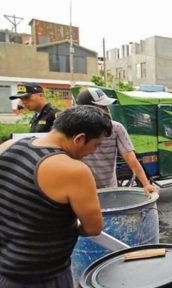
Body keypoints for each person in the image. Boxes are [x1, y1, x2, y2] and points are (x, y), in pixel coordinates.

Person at [0, 106, 112, 287]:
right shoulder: (73, 170)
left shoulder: (7, 146)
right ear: (79, 139)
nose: (94, 152)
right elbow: (93, 228)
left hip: (4, 271)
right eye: (96, 145)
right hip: (44, 277)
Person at [76, 87, 158, 194]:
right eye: (101, 107)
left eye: (106, 107)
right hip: (83, 190)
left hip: (109, 189)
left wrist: (146, 184)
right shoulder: (74, 129)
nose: (107, 111)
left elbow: (131, 159)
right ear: (86, 110)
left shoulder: (116, 128)